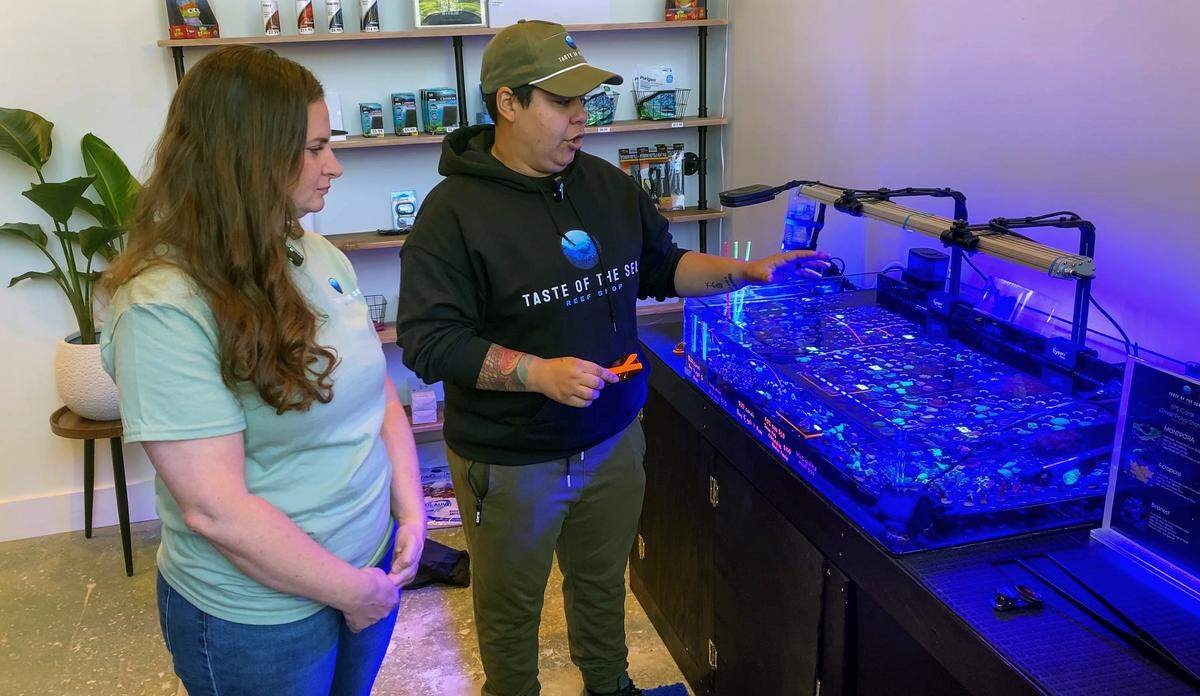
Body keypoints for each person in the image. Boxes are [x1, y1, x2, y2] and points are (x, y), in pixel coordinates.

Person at [396, 20, 829, 696]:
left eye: (586, 102)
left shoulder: (605, 185)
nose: (581, 119)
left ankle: (610, 686)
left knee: (601, 584)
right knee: (510, 611)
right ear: (507, 102)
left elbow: (661, 265)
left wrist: (749, 274)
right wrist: (536, 373)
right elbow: (429, 341)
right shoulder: (450, 214)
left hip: (614, 438)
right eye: (561, 103)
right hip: (511, 462)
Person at [99, 45, 426, 696]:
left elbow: (377, 395)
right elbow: (216, 511)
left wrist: (410, 511)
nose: (333, 166)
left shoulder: (318, 253)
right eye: (314, 149)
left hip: (366, 570)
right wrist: (353, 592)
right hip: (261, 616)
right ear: (245, 158)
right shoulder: (163, 305)